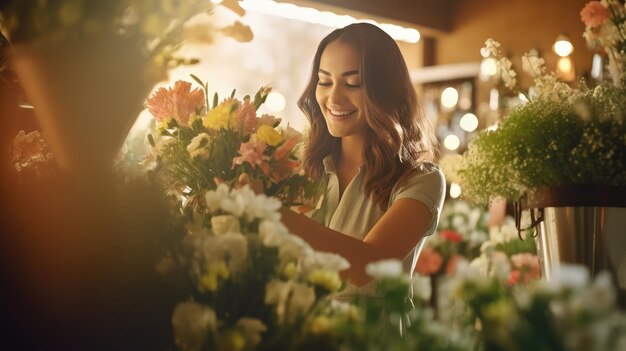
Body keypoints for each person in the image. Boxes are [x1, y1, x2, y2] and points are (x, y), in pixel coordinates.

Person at [279, 22, 445, 307]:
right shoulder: (300, 166)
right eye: (325, 81)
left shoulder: (419, 180)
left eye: (353, 83)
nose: (334, 97)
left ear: (385, 90)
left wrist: (273, 213)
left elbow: (367, 266)